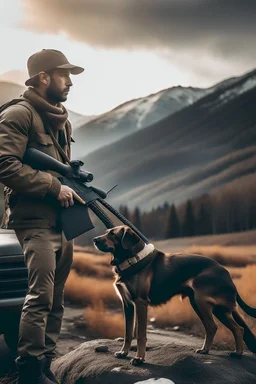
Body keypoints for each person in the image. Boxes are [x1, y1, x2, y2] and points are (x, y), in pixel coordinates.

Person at [0, 49, 85, 384]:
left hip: (61, 222)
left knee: (57, 298)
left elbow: (58, 167)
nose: (69, 83)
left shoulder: (60, 118)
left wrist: (71, 177)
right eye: (64, 75)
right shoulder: (19, 114)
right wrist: (53, 186)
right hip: (33, 222)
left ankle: (46, 362)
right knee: (40, 297)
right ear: (43, 77)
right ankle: (30, 373)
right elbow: (5, 165)